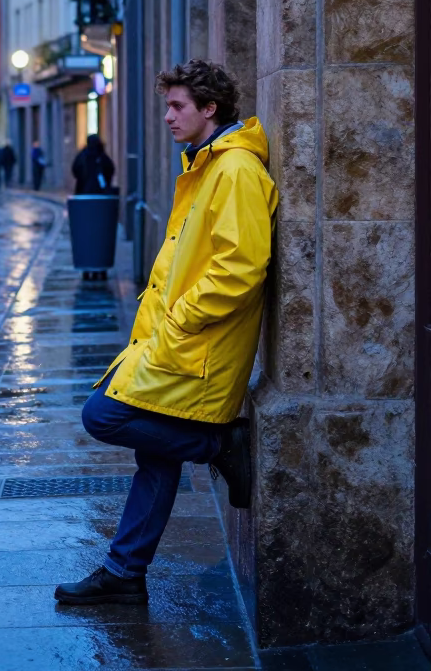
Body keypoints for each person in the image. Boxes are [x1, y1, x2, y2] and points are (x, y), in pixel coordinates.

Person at [55, 59, 278, 607]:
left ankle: (219, 443)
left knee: (102, 415)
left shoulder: (235, 170)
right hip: (179, 342)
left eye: (178, 106)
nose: (168, 116)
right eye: (168, 105)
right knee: (155, 455)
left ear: (210, 108)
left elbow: (241, 267)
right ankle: (124, 572)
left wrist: (180, 319)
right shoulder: (206, 164)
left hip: (199, 347)